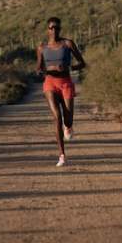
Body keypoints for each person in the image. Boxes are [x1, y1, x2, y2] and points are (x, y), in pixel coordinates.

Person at [36, 17, 86, 167]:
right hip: (50, 83)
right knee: (57, 117)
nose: (54, 30)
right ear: (47, 29)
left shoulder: (68, 44)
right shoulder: (41, 47)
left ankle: (68, 126)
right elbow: (39, 68)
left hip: (66, 83)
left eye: (57, 28)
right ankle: (62, 155)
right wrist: (47, 70)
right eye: (51, 27)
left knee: (68, 118)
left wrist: (69, 68)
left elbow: (82, 63)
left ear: (60, 29)